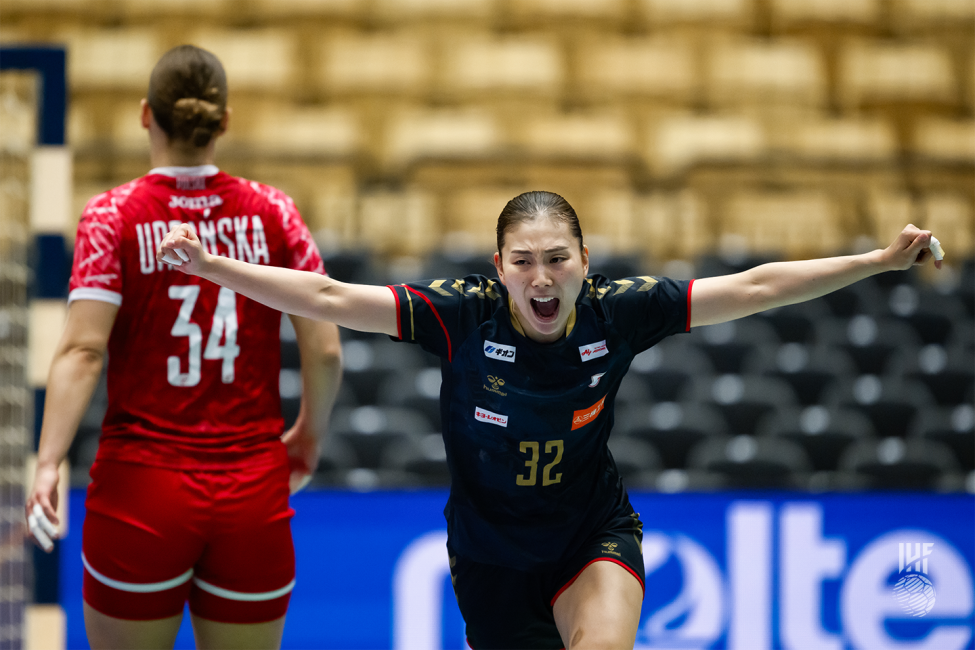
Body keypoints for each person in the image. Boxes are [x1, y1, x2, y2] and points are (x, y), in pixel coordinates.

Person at [157, 189, 941, 649]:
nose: (542, 277)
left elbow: (758, 286)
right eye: (523, 261)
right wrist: (209, 267)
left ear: (584, 261)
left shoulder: (620, 312)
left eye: (557, 258)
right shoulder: (460, 317)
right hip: (490, 556)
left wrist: (875, 261)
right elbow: (328, 298)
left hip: (589, 533)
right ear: (498, 268)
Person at [25, 45, 342, 650]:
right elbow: (324, 346)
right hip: (251, 486)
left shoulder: (111, 216)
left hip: (141, 490)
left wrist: (47, 462)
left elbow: (83, 352)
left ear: (147, 115)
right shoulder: (274, 211)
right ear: (223, 121)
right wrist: (308, 432)